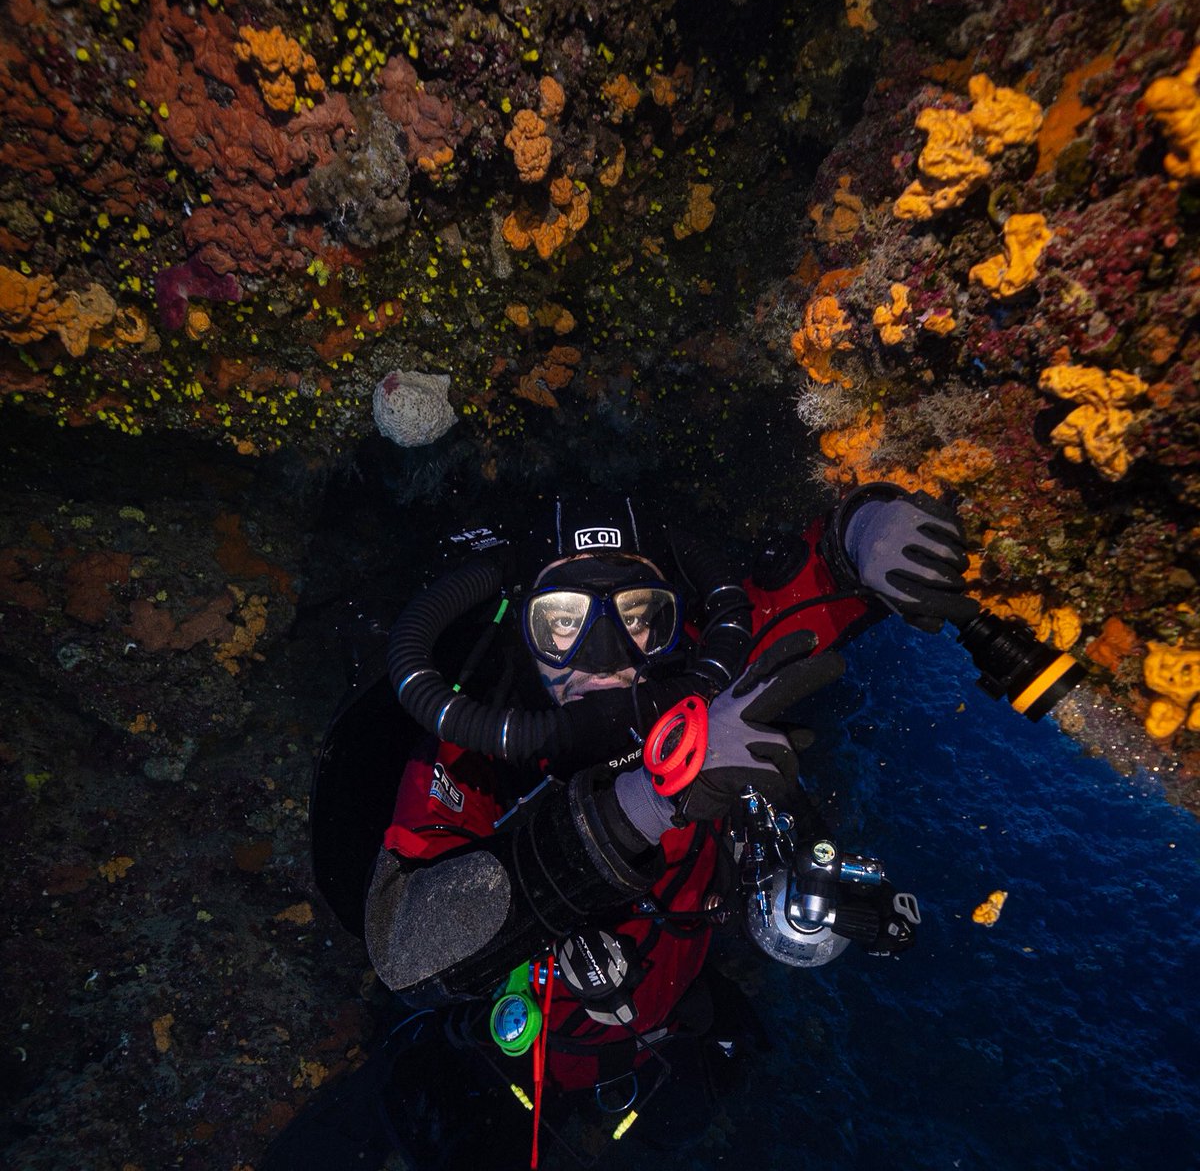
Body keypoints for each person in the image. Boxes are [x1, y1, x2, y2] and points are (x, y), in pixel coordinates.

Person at [269, 482, 976, 1170]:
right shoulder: (471, 751)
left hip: (662, 1029)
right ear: (521, 625)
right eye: (563, 621)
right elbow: (405, 947)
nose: (604, 658)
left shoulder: (709, 679)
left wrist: (860, 536)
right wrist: (642, 803)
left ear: (674, 623)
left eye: (639, 615)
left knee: (691, 1115)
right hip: (505, 1056)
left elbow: (797, 599)